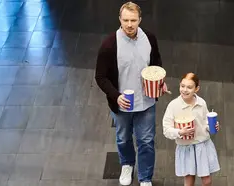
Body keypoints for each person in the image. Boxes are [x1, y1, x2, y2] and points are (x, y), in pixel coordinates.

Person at [94, 2, 169, 186]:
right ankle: (127, 164)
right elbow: (100, 77)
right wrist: (116, 96)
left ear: (139, 20)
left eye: (133, 20)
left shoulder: (150, 38)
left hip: (146, 101)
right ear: (120, 20)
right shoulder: (109, 45)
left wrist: (160, 81)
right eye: (126, 20)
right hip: (122, 103)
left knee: (146, 141)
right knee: (123, 138)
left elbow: (156, 62)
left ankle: (145, 177)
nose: (129, 24)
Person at [162, 73, 221, 186]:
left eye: (189, 87)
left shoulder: (201, 103)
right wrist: (180, 132)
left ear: (196, 89)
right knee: (189, 181)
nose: (184, 90)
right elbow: (166, 129)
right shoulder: (173, 106)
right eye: (182, 86)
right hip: (186, 148)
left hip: (202, 145)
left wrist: (212, 126)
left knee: (207, 181)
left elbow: (206, 122)